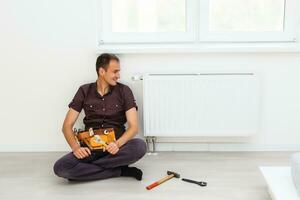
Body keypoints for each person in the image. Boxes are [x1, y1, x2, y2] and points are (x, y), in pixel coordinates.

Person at [53, 53, 147, 181]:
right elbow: (67, 126)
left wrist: (117, 144)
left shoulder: (124, 91)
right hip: (90, 148)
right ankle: (119, 171)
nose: (118, 75)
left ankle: (84, 171)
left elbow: (134, 127)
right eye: (115, 71)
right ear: (102, 71)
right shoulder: (84, 91)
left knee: (140, 146)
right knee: (61, 168)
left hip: (116, 148)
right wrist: (76, 148)